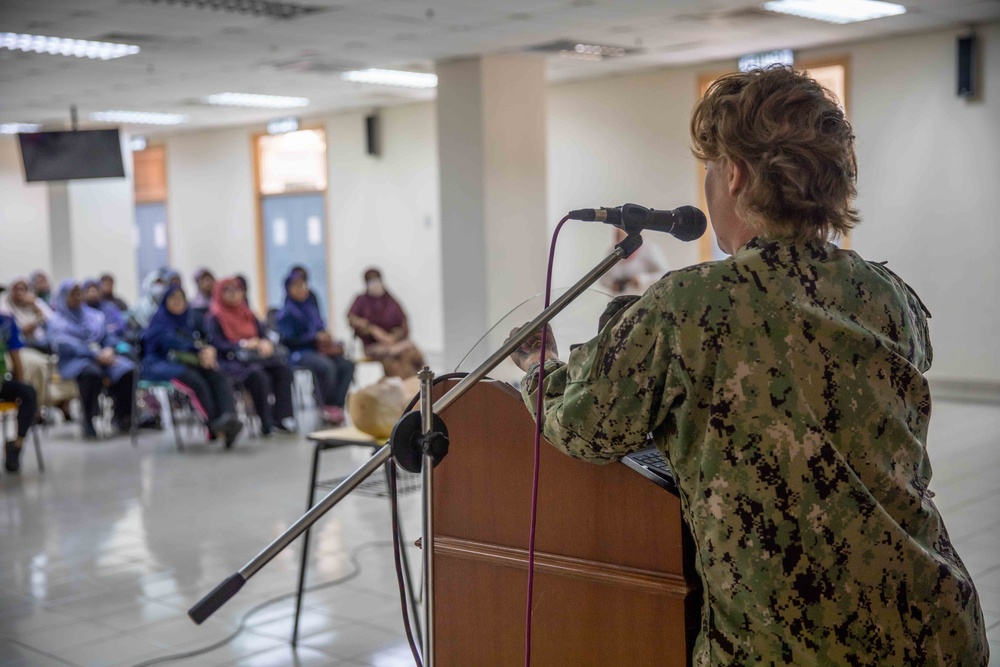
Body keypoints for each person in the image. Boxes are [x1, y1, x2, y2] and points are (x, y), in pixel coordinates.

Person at [508, 67, 988, 665]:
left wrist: (540, 368)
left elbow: (582, 426)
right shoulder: (887, 294)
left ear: (732, 174)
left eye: (710, 169)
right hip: (935, 628)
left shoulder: (688, 305)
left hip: (790, 648)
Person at [141, 286, 243, 448]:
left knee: (216, 375)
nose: (177, 303)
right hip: (159, 364)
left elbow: (197, 341)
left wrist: (206, 352)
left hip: (187, 361)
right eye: (172, 299)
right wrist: (198, 350)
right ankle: (214, 424)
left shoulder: (187, 320)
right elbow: (170, 341)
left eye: (180, 299)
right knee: (196, 381)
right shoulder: (159, 321)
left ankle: (229, 419)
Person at [205, 277, 295, 436]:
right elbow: (218, 345)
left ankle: (281, 418)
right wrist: (243, 344)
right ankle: (266, 424)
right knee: (258, 376)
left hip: (257, 357)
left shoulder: (247, 313)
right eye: (228, 291)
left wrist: (265, 343)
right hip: (232, 361)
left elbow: (263, 334)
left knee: (283, 370)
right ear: (220, 293)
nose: (234, 295)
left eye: (237, 290)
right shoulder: (215, 317)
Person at [49, 280, 134, 439]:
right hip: (76, 360)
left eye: (78, 293)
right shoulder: (57, 321)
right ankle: (88, 420)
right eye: (72, 294)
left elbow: (107, 337)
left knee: (127, 370)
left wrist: (109, 349)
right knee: (91, 374)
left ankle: (122, 416)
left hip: (103, 357)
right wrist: (95, 355)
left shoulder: (93, 316)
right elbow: (66, 346)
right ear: (63, 296)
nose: (77, 297)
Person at [277, 268, 354, 424]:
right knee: (326, 367)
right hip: (299, 352)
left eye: (303, 285)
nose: (301, 289)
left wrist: (324, 336)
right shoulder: (286, 313)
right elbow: (288, 340)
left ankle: (336, 405)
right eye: (296, 286)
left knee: (346, 365)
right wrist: (313, 337)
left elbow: (319, 326)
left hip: (318, 349)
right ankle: (325, 406)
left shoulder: (311, 304)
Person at [0, 278, 77, 420]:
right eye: (16, 289)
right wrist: (26, 329)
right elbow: (14, 341)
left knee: (65, 362)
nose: (20, 293)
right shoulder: (5, 308)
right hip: (24, 348)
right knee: (40, 365)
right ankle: (37, 407)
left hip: (44, 346)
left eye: (23, 289)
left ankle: (63, 403)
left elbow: (53, 323)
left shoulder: (35, 303)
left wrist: (35, 306)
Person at [347, 268, 424, 378]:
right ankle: (408, 391)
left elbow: (403, 323)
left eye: (376, 281)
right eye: (371, 283)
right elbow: (353, 319)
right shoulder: (361, 301)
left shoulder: (390, 300)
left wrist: (393, 338)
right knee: (395, 364)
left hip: (396, 343)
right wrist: (373, 330)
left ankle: (424, 388)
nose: (375, 285)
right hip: (375, 346)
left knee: (413, 354)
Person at [1, 298, 38, 473]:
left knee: (28, 393)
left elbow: (15, 355)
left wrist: (20, 381)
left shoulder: (6, 322)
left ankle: (16, 445)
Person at [599, 227, 670, 296]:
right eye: (618, 237)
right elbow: (603, 278)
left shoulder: (650, 249)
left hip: (644, 296)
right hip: (619, 298)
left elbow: (665, 274)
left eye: (624, 237)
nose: (621, 241)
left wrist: (642, 279)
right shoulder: (612, 251)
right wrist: (612, 284)